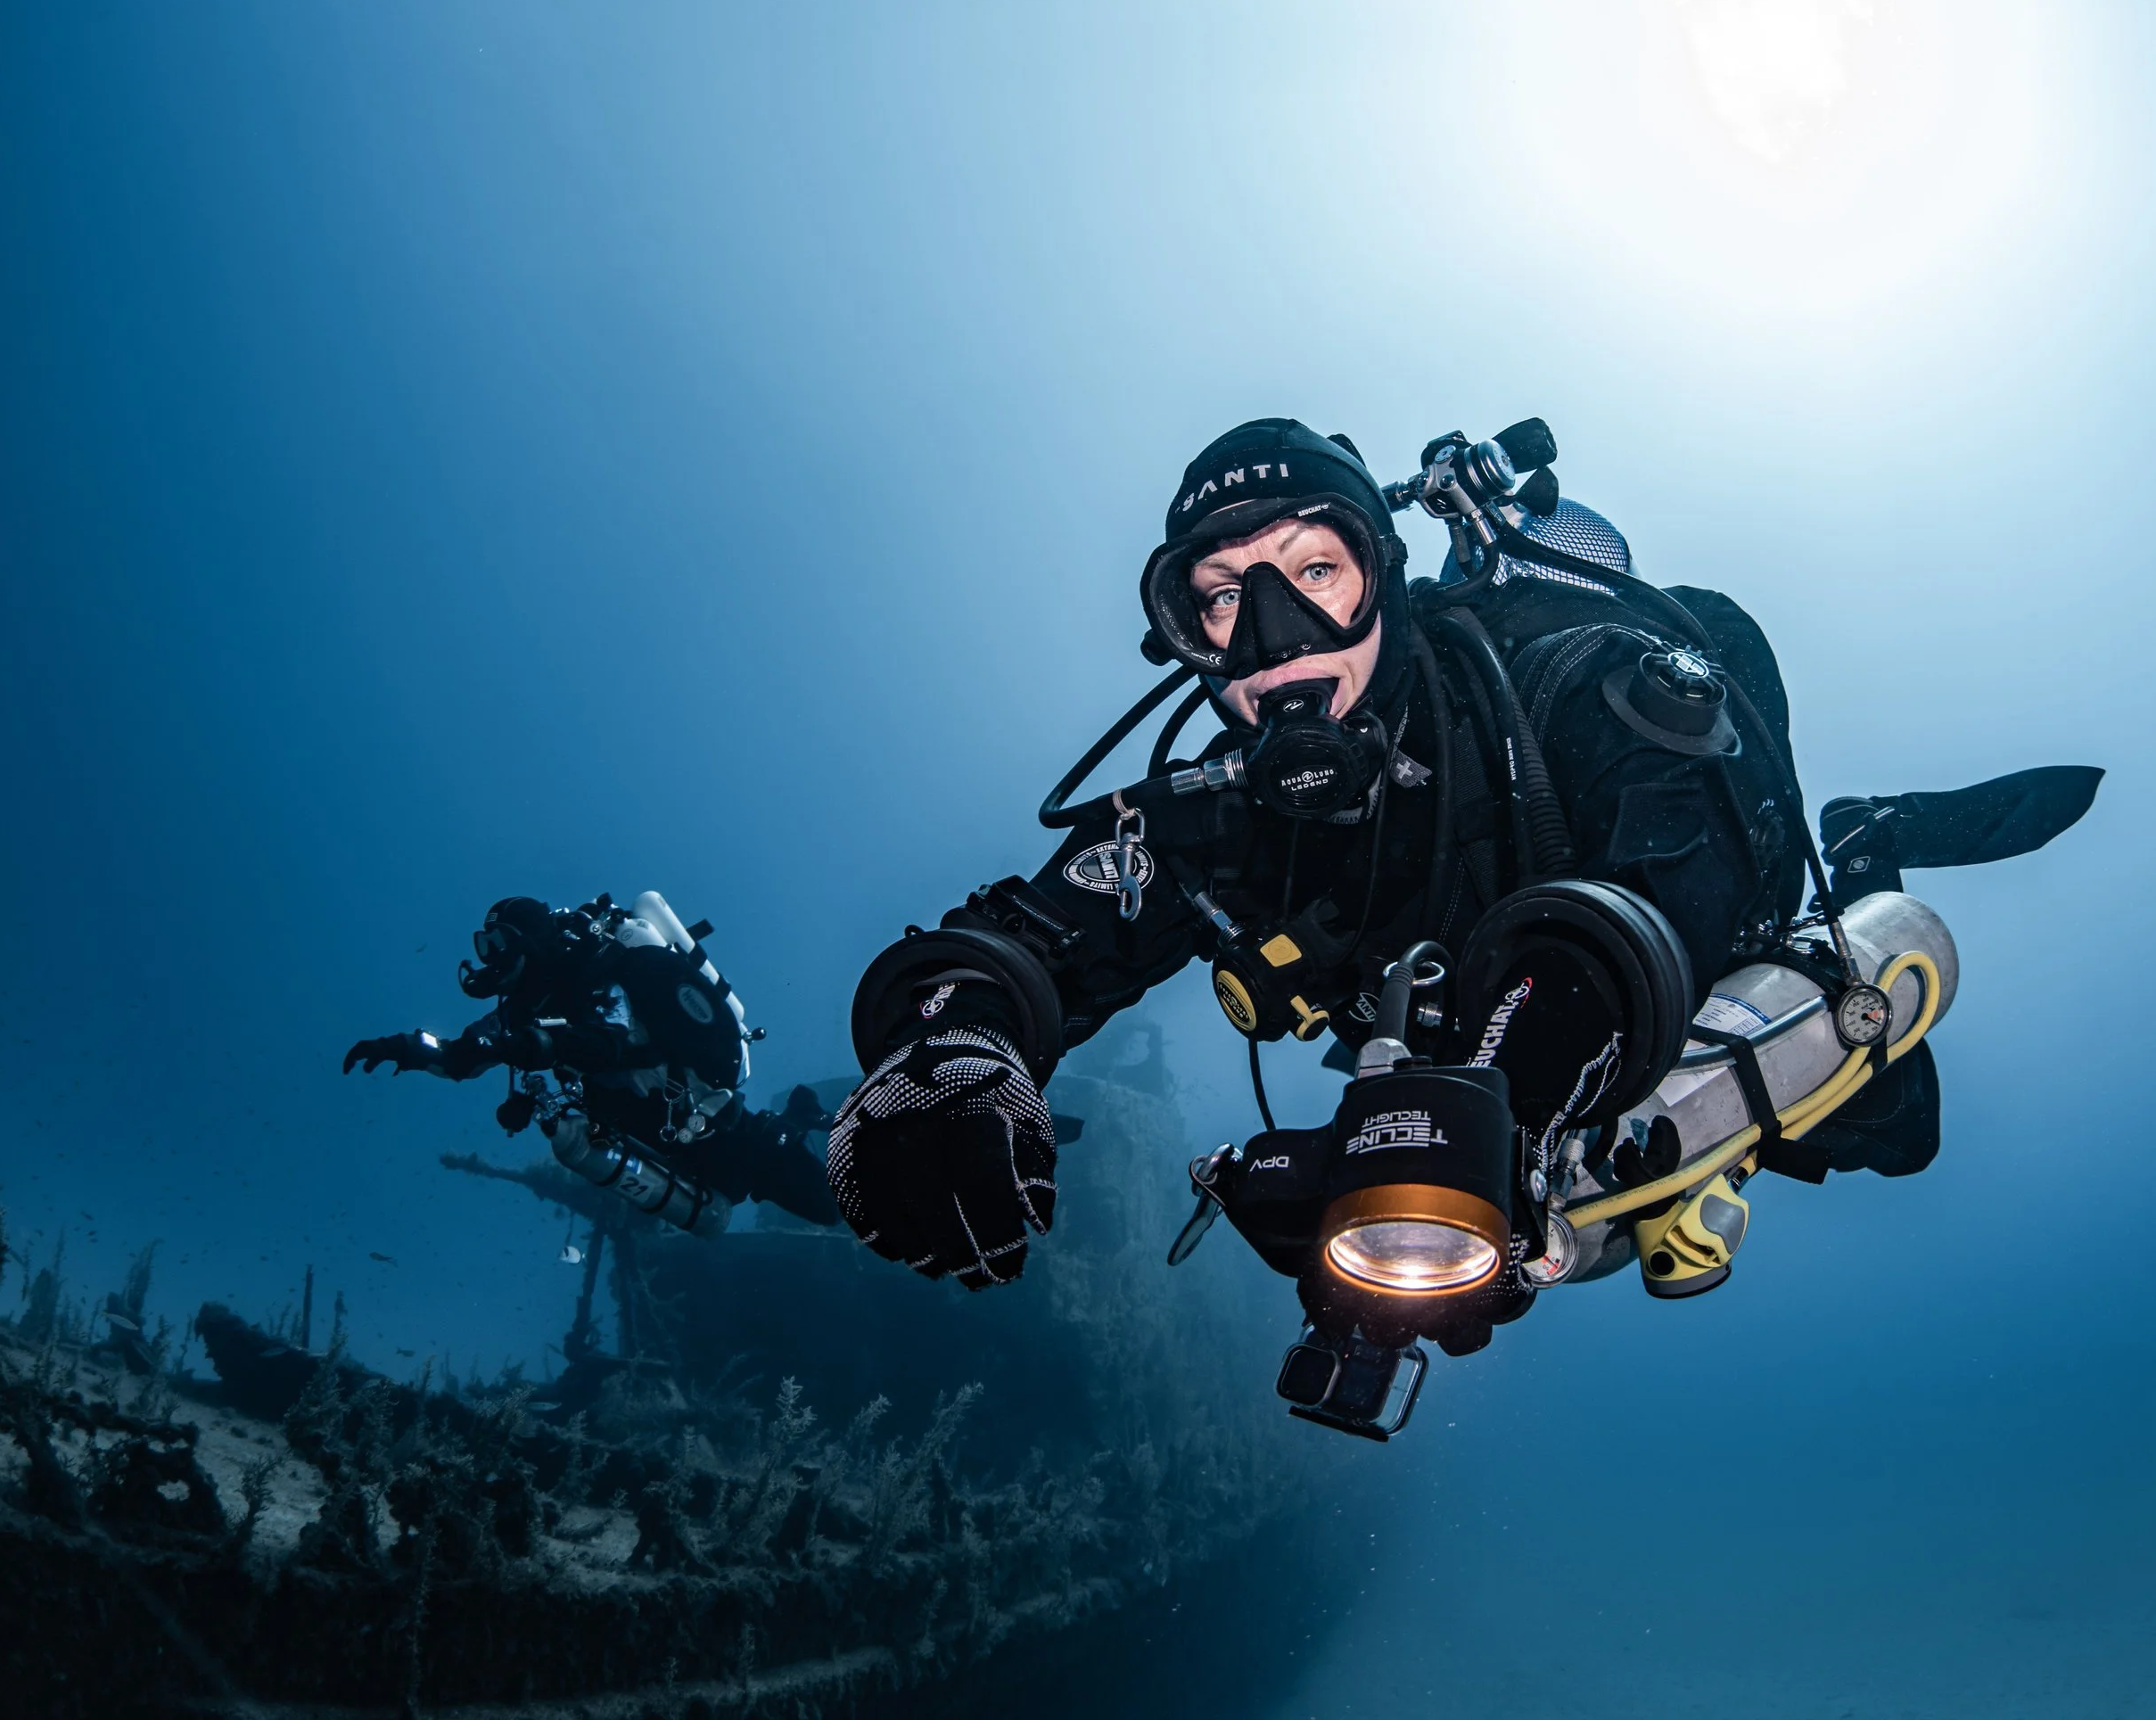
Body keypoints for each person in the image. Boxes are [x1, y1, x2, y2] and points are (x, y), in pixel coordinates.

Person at [823, 416, 2065, 1349]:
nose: (1276, 638)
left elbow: (1674, 891)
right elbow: (1035, 934)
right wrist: (954, 1045)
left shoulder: (1568, 680)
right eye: (1223, 600)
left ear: (1385, 573)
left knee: (1891, 1130)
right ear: (1185, 637)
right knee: (1550, 1237)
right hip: (1492, 1099)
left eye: (1316, 572)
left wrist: (1493, 1107)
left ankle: (1862, 846)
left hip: (1674, 984)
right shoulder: (1220, 812)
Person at [345, 893, 839, 1229]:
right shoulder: (520, 1011)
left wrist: (536, 1044)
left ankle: (799, 1118)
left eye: (500, 944)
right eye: (484, 945)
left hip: (715, 1122)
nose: (490, 958)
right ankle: (799, 1119)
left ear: (530, 942)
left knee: (830, 1207)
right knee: (732, 1192)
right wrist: (404, 1048)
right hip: (674, 1144)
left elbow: (610, 1039)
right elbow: (461, 1058)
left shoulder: (594, 975)